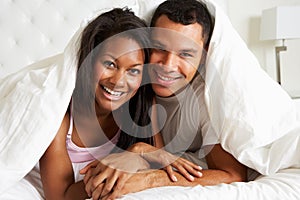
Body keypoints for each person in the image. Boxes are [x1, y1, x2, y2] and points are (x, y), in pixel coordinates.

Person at [82, 0, 248, 199]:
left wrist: (150, 178)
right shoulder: (130, 85)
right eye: (159, 48)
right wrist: (141, 153)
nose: (168, 66)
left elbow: (233, 175)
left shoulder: (206, 98)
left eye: (185, 54)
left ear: (203, 57)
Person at [35, 7, 202, 200]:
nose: (118, 81)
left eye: (133, 71)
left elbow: (156, 162)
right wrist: (109, 171)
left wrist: (138, 151)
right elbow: (59, 197)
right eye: (110, 64)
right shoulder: (60, 117)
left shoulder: (143, 104)